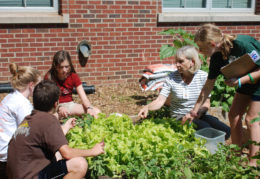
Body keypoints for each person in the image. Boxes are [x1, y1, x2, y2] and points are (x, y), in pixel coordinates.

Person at [183, 23, 260, 166]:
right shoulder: (217, 58)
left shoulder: (242, 44)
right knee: (234, 116)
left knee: (251, 120)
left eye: (201, 48)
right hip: (244, 83)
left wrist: (241, 80)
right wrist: (194, 111)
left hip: (257, 82)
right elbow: (208, 86)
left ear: (212, 44)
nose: (199, 51)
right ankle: (237, 156)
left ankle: (253, 162)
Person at [7, 80, 105, 179]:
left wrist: (65, 127)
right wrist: (92, 151)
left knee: (57, 155)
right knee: (79, 164)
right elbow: (67, 153)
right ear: (56, 103)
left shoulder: (29, 119)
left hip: (17, 173)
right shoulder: (49, 119)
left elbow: (44, 140)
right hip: (32, 176)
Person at [138, 45, 230, 139]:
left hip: (199, 115)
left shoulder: (203, 76)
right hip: (180, 117)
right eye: (176, 61)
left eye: (181, 61)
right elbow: (160, 100)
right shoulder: (171, 78)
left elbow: (206, 102)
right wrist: (147, 107)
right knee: (207, 130)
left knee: (226, 131)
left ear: (192, 62)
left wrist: (198, 112)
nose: (177, 64)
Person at [0, 63, 41, 178]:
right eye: (38, 85)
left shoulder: (11, 97)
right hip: (7, 158)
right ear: (31, 85)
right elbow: (30, 133)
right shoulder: (23, 105)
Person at [44, 50, 101, 119]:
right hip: (54, 107)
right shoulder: (49, 77)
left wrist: (89, 108)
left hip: (69, 105)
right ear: (56, 67)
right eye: (61, 67)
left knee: (96, 112)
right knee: (49, 119)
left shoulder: (73, 76)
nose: (65, 70)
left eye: (67, 66)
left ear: (70, 65)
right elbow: (49, 99)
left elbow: (83, 97)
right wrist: (59, 108)